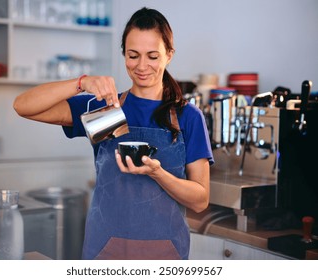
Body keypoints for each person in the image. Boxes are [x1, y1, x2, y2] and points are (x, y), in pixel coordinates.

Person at [13, 7, 214, 260]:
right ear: (124, 55)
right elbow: (23, 106)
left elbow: (200, 200)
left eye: (152, 56)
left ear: (169, 55)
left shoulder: (187, 117)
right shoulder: (105, 109)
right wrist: (81, 83)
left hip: (166, 256)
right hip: (104, 252)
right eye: (133, 55)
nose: (142, 66)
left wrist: (158, 174)